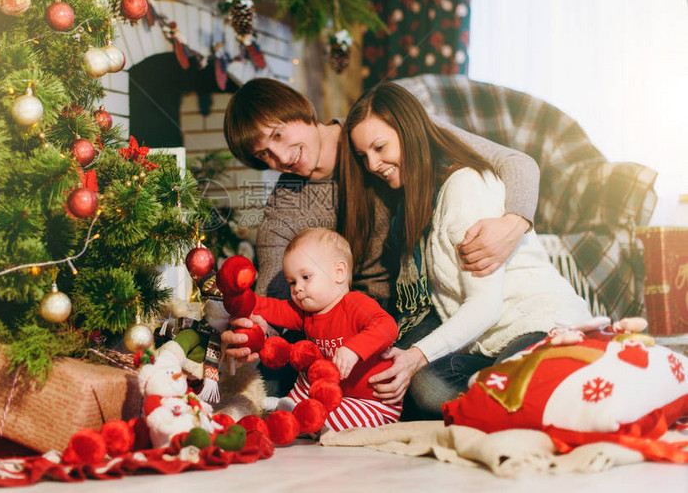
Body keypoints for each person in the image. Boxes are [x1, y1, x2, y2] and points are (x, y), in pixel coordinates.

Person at [222, 78, 540, 397]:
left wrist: (514, 223)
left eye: (278, 135)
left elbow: (516, 163)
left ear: (302, 110)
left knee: (420, 390)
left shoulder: (374, 132)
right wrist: (257, 327)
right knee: (285, 378)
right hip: (345, 322)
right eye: (264, 155)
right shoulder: (287, 200)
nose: (280, 156)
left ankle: (528, 377)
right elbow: (275, 278)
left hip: (416, 306)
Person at [339, 82, 593, 417]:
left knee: (510, 386)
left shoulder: (463, 188)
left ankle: (560, 374)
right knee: (427, 387)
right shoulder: (419, 202)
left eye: (380, 147)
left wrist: (415, 355)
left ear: (410, 132)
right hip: (486, 344)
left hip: (539, 324)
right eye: (363, 156)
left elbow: (485, 306)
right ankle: (503, 398)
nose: (372, 165)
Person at [249, 227, 401, 431]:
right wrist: (244, 301)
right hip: (334, 394)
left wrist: (354, 349)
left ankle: (299, 415)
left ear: (338, 273)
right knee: (308, 372)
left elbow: (387, 326)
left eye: (306, 277)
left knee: (329, 420)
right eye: (292, 282)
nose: (297, 288)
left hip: (373, 402)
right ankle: (294, 408)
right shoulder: (306, 312)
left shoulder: (355, 304)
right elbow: (273, 308)